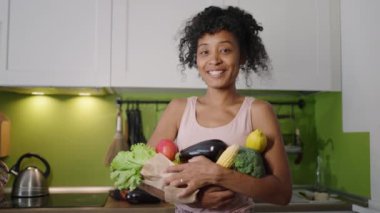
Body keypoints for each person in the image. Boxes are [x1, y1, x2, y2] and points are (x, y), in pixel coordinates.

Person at [147, 5, 292, 212]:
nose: (214, 60)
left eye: (225, 50)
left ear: (242, 56)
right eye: (204, 51)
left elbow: (282, 193)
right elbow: (144, 176)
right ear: (196, 59)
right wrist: (192, 199)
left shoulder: (258, 111)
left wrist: (217, 174)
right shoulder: (178, 109)